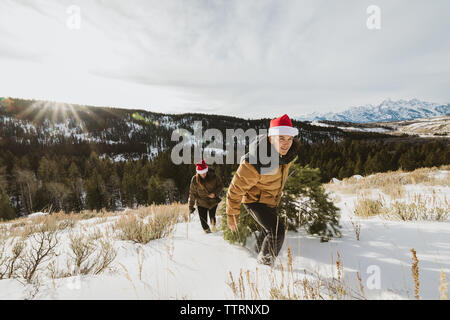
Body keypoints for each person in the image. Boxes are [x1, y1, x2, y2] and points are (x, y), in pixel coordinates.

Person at [226, 114, 301, 266]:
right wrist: (231, 214)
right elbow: (235, 188)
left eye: (289, 139)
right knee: (277, 230)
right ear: (271, 138)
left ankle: (255, 253)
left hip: (270, 200)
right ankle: (265, 264)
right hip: (254, 201)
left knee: (267, 230)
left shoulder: (285, 156)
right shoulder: (256, 160)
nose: (286, 143)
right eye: (281, 138)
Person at [189, 159, 224, 233]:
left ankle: (214, 231)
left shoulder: (214, 176)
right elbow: (192, 193)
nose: (204, 174)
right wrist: (191, 206)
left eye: (205, 172)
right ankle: (208, 234)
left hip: (213, 202)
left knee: (212, 218)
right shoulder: (194, 180)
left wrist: (215, 194)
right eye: (202, 173)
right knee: (203, 223)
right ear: (198, 173)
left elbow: (220, 186)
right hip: (201, 202)